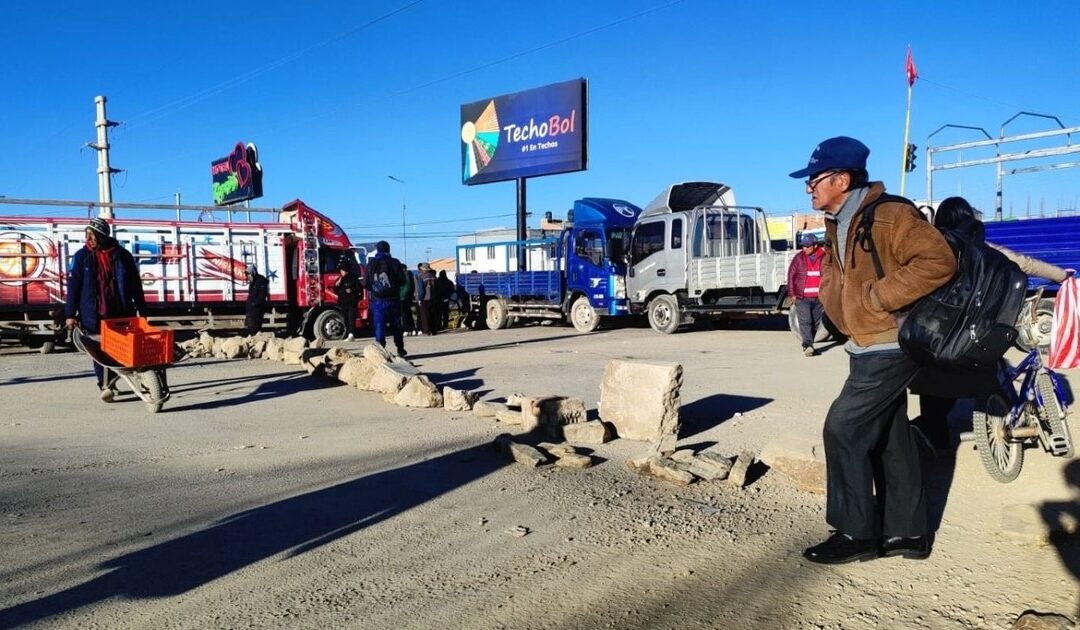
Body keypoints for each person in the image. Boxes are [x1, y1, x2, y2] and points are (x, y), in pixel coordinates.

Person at [789, 136, 956, 564]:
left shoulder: (890, 214)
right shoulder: (838, 221)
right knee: (891, 437)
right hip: (865, 342)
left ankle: (855, 532)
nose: (809, 188)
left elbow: (938, 261)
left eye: (815, 180)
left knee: (842, 428)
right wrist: (836, 313)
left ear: (842, 179)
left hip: (890, 341)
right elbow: (839, 277)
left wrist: (877, 299)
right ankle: (908, 534)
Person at [910, 196, 1074, 453]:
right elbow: (1025, 263)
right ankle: (998, 416)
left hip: (939, 332)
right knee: (988, 370)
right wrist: (1062, 275)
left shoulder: (932, 249)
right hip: (980, 332)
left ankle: (934, 432)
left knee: (934, 379)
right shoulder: (985, 248)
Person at [64, 217, 146, 401]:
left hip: (120, 311)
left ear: (103, 236)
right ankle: (105, 384)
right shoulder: (81, 256)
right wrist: (70, 314)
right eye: (88, 235)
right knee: (99, 350)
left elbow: (135, 284)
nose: (90, 238)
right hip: (93, 313)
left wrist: (143, 310)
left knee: (120, 349)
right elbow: (74, 286)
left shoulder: (122, 255)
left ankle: (113, 380)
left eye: (93, 235)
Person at [364, 241, 407, 356]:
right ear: (388, 249)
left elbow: (365, 284)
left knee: (379, 325)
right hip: (393, 299)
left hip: (377, 300)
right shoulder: (395, 262)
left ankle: (381, 350)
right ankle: (400, 348)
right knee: (397, 325)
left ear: (377, 250)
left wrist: (374, 289)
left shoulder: (371, 264)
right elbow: (403, 280)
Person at [787, 233, 826, 356]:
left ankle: (810, 343)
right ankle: (807, 346)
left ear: (815, 245)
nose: (804, 249)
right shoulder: (799, 258)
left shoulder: (824, 257)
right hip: (802, 297)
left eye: (807, 246)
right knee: (805, 321)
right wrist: (792, 294)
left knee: (816, 322)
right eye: (803, 246)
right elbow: (791, 276)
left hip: (819, 298)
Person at [333, 263, 362, 341]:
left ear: (346, 270)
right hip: (343, 302)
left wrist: (352, 290)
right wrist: (336, 284)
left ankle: (351, 334)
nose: (341, 272)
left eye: (342, 270)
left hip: (352, 301)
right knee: (345, 318)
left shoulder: (353, 278)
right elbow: (335, 290)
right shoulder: (340, 278)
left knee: (351, 318)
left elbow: (359, 289)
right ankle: (348, 333)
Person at [245, 264, 269, 336]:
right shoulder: (252, 282)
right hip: (251, 310)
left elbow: (262, 296)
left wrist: (254, 304)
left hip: (257, 310)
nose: (248, 276)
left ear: (253, 273)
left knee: (255, 328)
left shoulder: (261, 281)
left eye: (249, 274)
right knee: (250, 327)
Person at [416, 262, 436, 336]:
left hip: (425, 298)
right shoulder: (432, 276)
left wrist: (419, 299)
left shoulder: (422, 277)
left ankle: (426, 331)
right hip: (432, 297)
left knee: (424, 316)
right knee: (432, 314)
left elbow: (421, 289)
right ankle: (433, 330)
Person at [399, 261, 417, 336]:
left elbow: (406, 287)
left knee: (404, 314)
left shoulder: (405, 276)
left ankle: (407, 329)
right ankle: (412, 328)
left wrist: (402, 295)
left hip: (403, 297)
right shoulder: (410, 275)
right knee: (409, 313)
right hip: (408, 297)